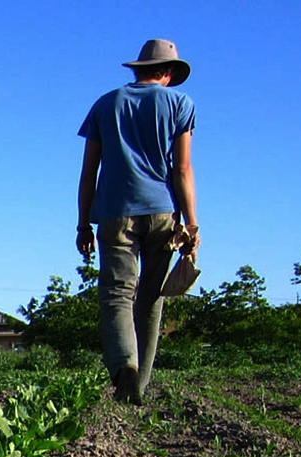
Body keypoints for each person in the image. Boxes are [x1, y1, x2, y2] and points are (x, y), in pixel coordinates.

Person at [76, 39, 200, 403]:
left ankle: (124, 369)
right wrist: (191, 223)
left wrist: (84, 224)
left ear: (139, 68)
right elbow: (182, 169)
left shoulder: (106, 103)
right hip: (162, 211)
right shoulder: (180, 103)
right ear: (169, 71)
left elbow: (88, 173)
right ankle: (140, 385)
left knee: (117, 294)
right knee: (151, 298)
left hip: (114, 211)